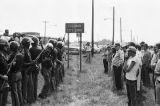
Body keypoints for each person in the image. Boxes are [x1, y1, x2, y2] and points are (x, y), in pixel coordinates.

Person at [8, 41, 23, 106]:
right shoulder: (21, 54)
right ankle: (21, 103)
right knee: (19, 90)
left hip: (14, 74)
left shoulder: (12, 56)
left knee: (14, 92)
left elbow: (9, 66)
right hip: (19, 73)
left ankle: (16, 104)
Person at [21, 37, 35, 104]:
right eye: (29, 43)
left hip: (29, 70)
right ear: (27, 43)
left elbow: (28, 60)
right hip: (25, 71)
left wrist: (32, 61)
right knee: (24, 87)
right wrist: (31, 63)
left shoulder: (27, 50)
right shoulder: (23, 51)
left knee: (30, 86)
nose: (30, 44)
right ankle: (24, 101)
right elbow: (22, 63)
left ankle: (29, 100)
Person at [29, 36, 42, 102]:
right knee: (35, 81)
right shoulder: (39, 49)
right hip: (37, 66)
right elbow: (41, 60)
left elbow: (29, 59)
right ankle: (35, 97)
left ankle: (31, 98)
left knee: (31, 82)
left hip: (31, 66)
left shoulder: (30, 49)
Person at [0, 38, 9, 106]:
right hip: (1, 80)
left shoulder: (3, 55)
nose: (7, 47)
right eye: (6, 46)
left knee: (4, 100)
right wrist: (2, 76)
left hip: (4, 81)